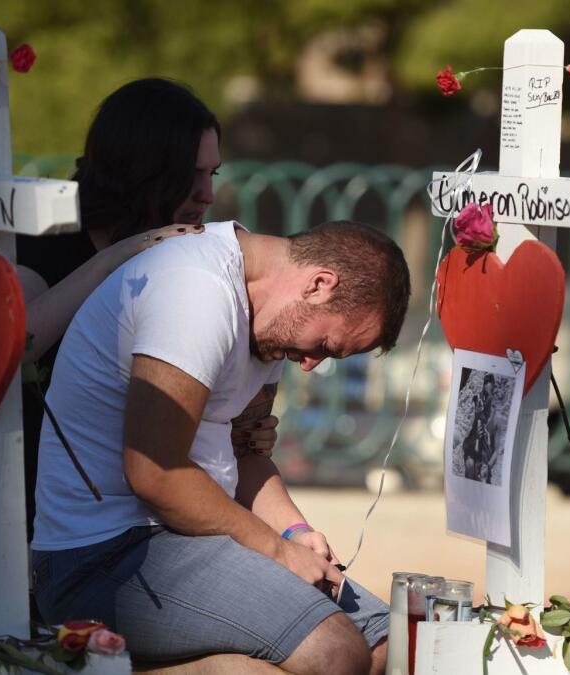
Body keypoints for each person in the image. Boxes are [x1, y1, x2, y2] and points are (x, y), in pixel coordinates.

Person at [32, 219, 410, 674]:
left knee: (386, 647)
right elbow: (155, 472)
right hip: (102, 552)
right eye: (326, 345)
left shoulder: (267, 313)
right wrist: (275, 550)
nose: (311, 364)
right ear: (318, 284)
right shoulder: (198, 290)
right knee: (334, 654)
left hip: (184, 538)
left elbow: (247, 452)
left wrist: (294, 534)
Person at [15, 79, 276, 541]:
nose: (206, 196)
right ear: (142, 170)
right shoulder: (48, 238)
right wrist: (119, 256)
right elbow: (16, 347)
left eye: (211, 174)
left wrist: (240, 430)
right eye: (189, 175)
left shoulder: (192, 261)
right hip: (46, 511)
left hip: (151, 519)